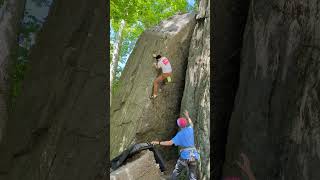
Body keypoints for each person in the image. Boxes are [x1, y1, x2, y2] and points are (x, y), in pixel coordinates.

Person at [151, 110, 199, 180]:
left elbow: (169, 143)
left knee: (177, 171)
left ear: (179, 125)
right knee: (192, 175)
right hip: (194, 156)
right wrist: (187, 116)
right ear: (186, 124)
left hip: (185, 157)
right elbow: (191, 124)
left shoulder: (179, 135)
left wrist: (158, 142)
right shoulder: (190, 129)